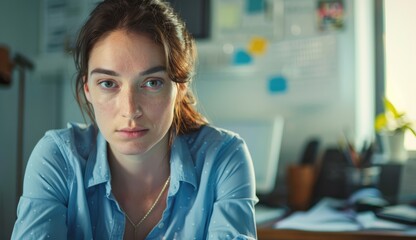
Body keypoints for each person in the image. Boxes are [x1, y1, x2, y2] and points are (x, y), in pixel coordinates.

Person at [11, 0, 258, 239]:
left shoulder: (223, 158)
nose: (130, 110)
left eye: (152, 83)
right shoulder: (58, 157)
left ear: (180, 88)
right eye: (108, 84)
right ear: (88, 89)